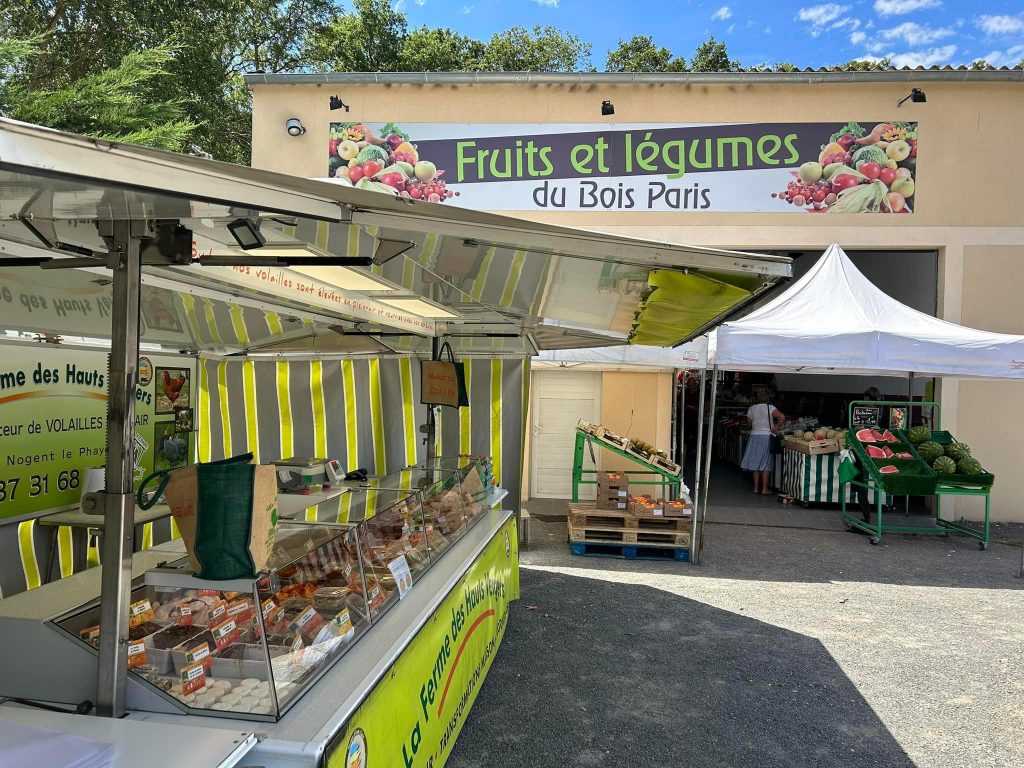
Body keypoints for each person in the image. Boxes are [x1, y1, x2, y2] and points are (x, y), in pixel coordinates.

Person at [740, 390, 785, 495]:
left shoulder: (751, 409)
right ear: (768, 398)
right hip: (766, 437)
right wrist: (776, 427)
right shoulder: (771, 408)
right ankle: (764, 489)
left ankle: (756, 488)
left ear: (757, 398)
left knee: (755, 463)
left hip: (754, 437)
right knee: (765, 463)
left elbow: (749, 424)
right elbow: (782, 417)